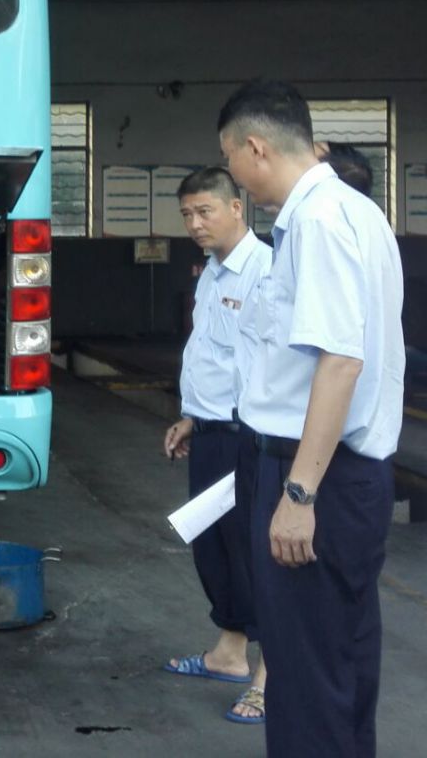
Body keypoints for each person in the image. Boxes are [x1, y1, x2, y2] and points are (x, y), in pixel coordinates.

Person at [218, 79, 404, 757]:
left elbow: (340, 361)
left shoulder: (319, 221)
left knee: (305, 674)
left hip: (318, 473)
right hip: (339, 471)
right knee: (336, 663)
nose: (234, 177)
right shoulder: (351, 211)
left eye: (229, 160)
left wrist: (299, 494)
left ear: (255, 147)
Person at [160, 167, 274, 725]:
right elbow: (212, 355)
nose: (195, 223)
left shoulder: (265, 271)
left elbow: (268, 364)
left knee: (256, 557)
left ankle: (270, 676)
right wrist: (192, 416)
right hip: (209, 431)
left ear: (236, 208)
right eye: (187, 214)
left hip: (249, 439)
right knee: (214, 549)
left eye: (204, 211)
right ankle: (229, 654)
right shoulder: (210, 272)